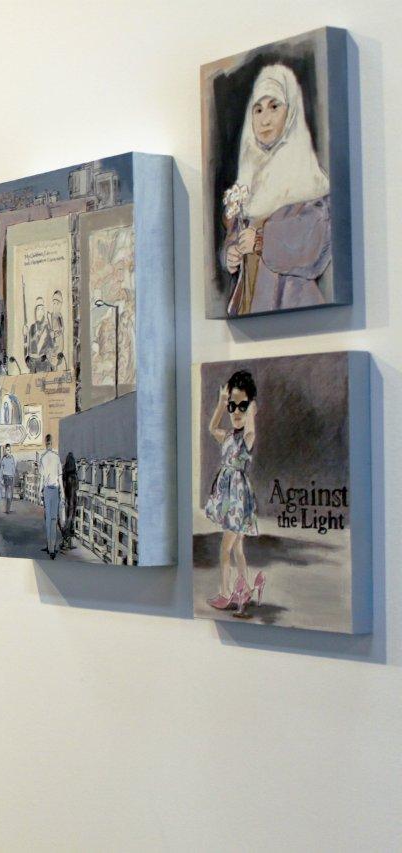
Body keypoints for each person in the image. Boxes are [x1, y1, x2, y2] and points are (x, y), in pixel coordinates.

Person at [222, 63, 332, 316]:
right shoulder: (249, 175)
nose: (265, 119)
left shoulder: (306, 175)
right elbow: (236, 232)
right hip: (251, 304)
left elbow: (313, 240)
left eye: (274, 106)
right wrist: (231, 253)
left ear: (291, 111)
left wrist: (262, 241)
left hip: (292, 302)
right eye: (258, 109)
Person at [204, 370, 264, 618]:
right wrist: (221, 403)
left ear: (250, 407)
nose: (236, 412)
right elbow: (211, 427)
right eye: (233, 406)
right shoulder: (228, 436)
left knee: (225, 549)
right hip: (229, 498)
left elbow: (250, 430)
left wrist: (251, 413)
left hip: (237, 500)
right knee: (238, 548)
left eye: (242, 406)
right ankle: (247, 588)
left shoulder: (246, 438)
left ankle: (226, 592)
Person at [38, 435, 63, 558]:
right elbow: (60, 477)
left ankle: (49, 546)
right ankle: (52, 548)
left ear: (45, 443)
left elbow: (42, 478)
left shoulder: (43, 458)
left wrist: (39, 492)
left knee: (48, 519)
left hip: (47, 490)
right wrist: (62, 492)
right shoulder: (57, 458)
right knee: (53, 519)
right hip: (55, 490)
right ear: (52, 443)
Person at [0, 445, 17, 514]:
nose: (7, 451)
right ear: (5, 451)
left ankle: (8, 508)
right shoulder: (3, 459)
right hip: (6, 477)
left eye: (8, 450)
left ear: (10, 450)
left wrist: (14, 476)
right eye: (6, 450)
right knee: (7, 493)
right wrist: (1, 479)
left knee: (10, 494)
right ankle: (7, 509)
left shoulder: (12, 458)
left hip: (11, 477)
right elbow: (1, 470)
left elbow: (13, 468)